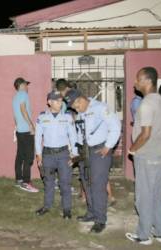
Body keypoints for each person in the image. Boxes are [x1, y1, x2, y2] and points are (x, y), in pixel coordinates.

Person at [65, 89, 121, 233]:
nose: (76, 109)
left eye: (76, 106)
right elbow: (79, 134)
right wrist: (76, 154)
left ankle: (100, 220)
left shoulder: (100, 108)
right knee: (86, 183)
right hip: (85, 152)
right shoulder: (81, 112)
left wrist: (108, 146)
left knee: (97, 185)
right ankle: (91, 213)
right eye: (74, 108)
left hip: (99, 151)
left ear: (81, 99)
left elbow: (115, 126)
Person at [125, 67, 161, 245]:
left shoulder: (147, 104)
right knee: (157, 194)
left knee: (143, 196)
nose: (135, 82)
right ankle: (160, 232)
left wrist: (132, 149)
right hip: (160, 153)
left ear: (147, 81)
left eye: (137, 79)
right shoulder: (160, 99)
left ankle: (143, 236)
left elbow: (145, 134)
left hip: (147, 154)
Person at [34, 90, 78, 219]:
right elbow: (37, 137)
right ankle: (47, 206)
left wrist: (74, 154)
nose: (60, 103)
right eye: (57, 101)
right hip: (47, 154)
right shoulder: (42, 117)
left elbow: (73, 137)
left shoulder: (67, 117)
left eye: (61, 100)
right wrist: (38, 154)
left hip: (63, 154)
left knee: (65, 182)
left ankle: (67, 210)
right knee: (48, 182)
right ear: (49, 102)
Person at [12, 77, 39, 193]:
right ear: (21, 85)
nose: (27, 87)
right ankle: (26, 182)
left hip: (19, 130)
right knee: (28, 157)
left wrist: (18, 126)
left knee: (20, 156)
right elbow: (23, 109)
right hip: (26, 131)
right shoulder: (23, 94)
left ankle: (19, 180)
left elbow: (15, 116)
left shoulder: (15, 97)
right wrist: (31, 125)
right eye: (26, 84)